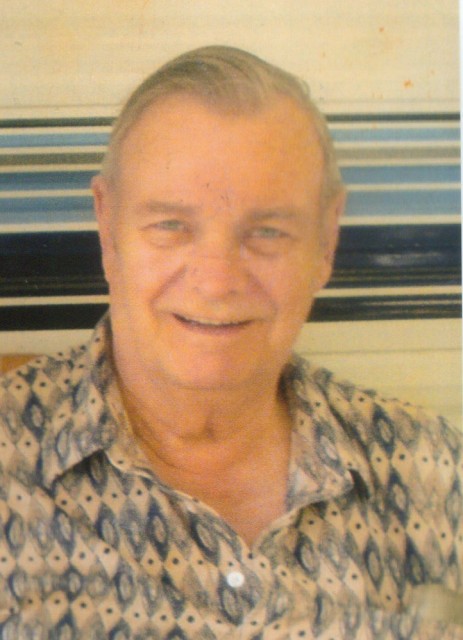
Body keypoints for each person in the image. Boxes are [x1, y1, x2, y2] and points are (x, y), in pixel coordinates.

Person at [0, 46, 461, 639]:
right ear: (107, 229)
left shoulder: (434, 470)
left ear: (327, 241)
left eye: (266, 231)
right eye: (171, 226)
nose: (216, 282)